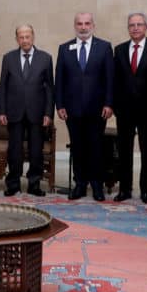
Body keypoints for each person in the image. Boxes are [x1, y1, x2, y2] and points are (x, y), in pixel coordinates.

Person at [55, 12, 115, 201]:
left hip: (97, 109)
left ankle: (97, 185)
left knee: (96, 147)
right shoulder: (64, 48)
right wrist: (60, 105)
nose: (83, 27)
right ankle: (80, 184)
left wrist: (109, 103)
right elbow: (59, 79)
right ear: (75, 26)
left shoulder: (104, 47)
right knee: (78, 147)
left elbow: (110, 78)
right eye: (79, 24)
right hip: (72, 109)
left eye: (87, 23)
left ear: (93, 25)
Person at [111, 13, 147, 204]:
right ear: (128, 28)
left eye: (139, 24)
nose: (135, 28)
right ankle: (125, 189)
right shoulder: (119, 50)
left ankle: (145, 191)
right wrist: (114, 105)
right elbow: (115, 80)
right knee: (124, 151)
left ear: (146, 27)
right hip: (124, 110)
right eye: (132, 25)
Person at [0, 24, 54, 197]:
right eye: (21, 37)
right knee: (14, 151)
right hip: (14, 112)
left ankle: (34, 184)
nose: (25, 40)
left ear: (33, 37)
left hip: (37, 113)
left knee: (36, 151)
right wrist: (1, 111)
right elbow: (3, 86)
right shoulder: (9, 58)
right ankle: (13, 184)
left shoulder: (45, 58)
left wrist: (48, 113)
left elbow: (50, 88)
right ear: (17, 39)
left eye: (27, 36)